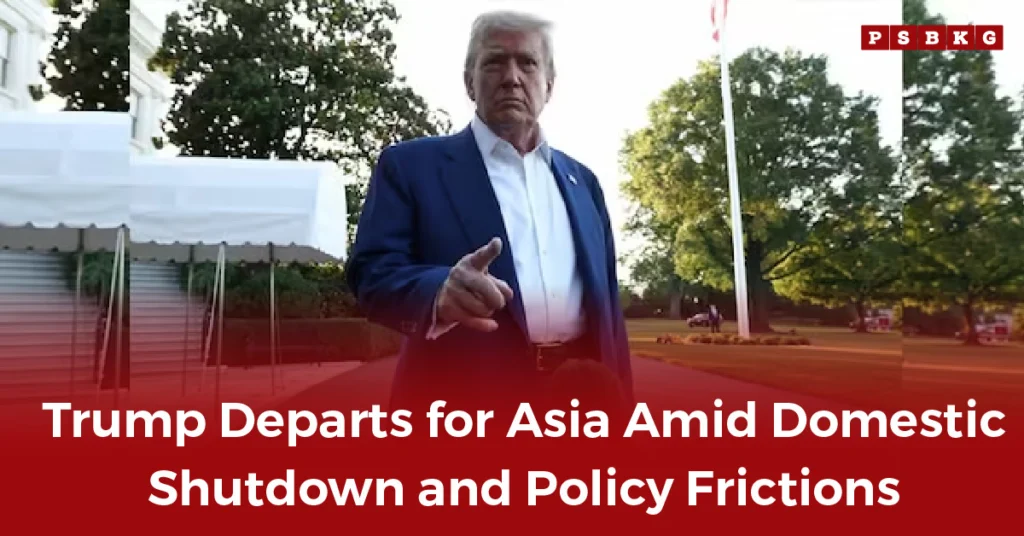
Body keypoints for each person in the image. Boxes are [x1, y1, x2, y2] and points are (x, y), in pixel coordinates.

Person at [345, 10, 633, 410]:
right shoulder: (410, 167)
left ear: (549, 85)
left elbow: (608, 315)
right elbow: (371, 274)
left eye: (527, 63)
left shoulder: (584, 183)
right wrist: (438, 292)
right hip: (462, 410)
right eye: (495, 61)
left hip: (580, 408)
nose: (512, 77)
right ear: (469, 81)